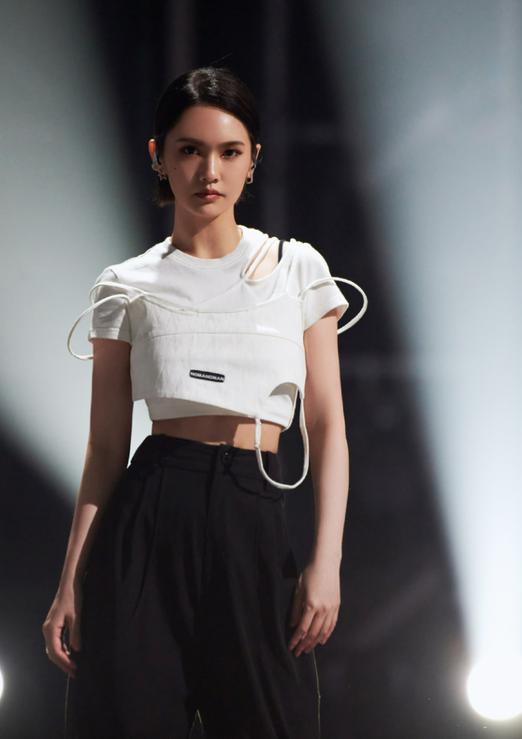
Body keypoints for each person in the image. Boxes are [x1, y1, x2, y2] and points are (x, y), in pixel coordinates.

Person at [43, 65, 367, 739]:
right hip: (151, 513)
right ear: (158, 156)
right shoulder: (124, 284)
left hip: (254, 511)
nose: (209, 171)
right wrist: (70, 579)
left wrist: (327, 562)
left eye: (229, 151)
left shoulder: (297, 268)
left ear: (253, 160)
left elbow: (327, 425)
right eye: (189, 149)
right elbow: (106, 446)